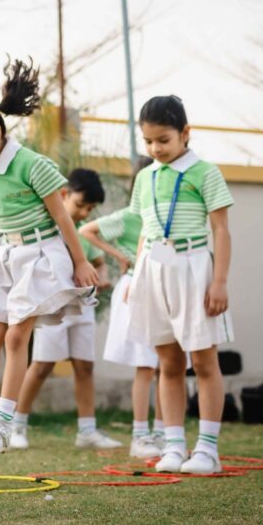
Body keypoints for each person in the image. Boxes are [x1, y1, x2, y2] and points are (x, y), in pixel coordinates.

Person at [0, 58, 98, 455]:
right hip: (9, 253)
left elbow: (63, 218)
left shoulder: (32, 165)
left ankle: (3, 424)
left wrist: (80, 262)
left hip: (42, 255)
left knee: (16, 335)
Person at [126, 95, 234, 475]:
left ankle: (207, 450)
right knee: (167, 362)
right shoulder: (145, 176)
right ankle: (174, 445)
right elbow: (145, 230)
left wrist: (219, 282)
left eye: (164, 140)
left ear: (185, 134)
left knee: (204, 361)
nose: (156, 149)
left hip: (194, 268)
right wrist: (134, 277)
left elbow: (221, 230)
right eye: (149, 141)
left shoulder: (205, 172)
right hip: (154, 270)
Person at [10, 168, 122, 451]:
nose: (84, 213)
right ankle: (16, 425)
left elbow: (97, 263)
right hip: (54, 304)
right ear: (64, 195)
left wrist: (103, 275)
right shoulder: (47, 227)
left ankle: (87, 431)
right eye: (80, 205)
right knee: (42, 365)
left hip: (82, 306)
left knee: (84, 366)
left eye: (90, 208)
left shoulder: (83, 232)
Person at [80, 155, 170, 458]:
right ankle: (140, 435)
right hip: (135, 289)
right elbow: (87, 230)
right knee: (146, 365)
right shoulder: (132, 216)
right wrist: (119, 255)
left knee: (165, 365)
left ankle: (163, 433)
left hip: (165, 291)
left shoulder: (169, 214)